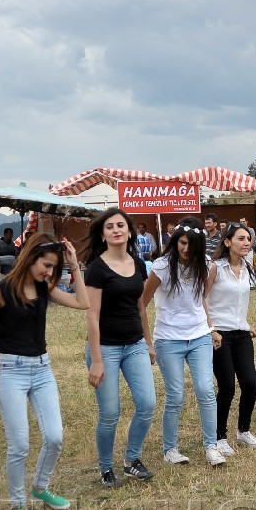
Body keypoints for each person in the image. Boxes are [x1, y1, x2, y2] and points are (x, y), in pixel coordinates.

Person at [0, 233, 88, 510]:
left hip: (42, 370)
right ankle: (18, 504)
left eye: (52, 267)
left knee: (55, 437)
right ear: (30, 257)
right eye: (46, 265)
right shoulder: (0, 291)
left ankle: (40, 488)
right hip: (11, 372)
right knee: (19, 444)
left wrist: (73, 265)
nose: (48, 272)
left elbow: (82, 302)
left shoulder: (44, 289)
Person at [83, 208, 157, 486]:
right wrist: (97, 360)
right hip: (107, 348)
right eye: (110, 226)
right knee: (110, 412)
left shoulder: (138, 264)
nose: (116, 229)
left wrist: (148, 344)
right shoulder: (97, 269)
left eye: (121, 225)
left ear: (129, 231)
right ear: (103, 234)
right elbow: (92, 316)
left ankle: (131, 460)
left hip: (135, 345)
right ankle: (105, 468)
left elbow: (141, 308)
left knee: (147, 403)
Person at [142, 217, 223, 466]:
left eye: (191, 245)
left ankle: (211, 445)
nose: (186, 249)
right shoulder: (162, 266)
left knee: (206, 390)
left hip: (198, 335)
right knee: (175, 395)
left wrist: (211, 328)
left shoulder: (207, 265)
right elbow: (141, 303)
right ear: (176, 241)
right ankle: (170, 449)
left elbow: (201, 299)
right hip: (168, 339)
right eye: (182, 243)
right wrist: (147, 342)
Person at [208, 223, 256, 454]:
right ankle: (219, 436)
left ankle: (244, 431)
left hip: (241, 335)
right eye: (241, 238)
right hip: (219, 335)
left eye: (248, 239)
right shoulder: (215, 268)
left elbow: (239, 303)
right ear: (227, 242)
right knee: (227, 387)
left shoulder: (247, 267)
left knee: (250, 383)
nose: (246, 243)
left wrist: (246, 325)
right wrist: (211, 329)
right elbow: (200, 299)